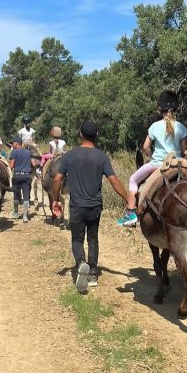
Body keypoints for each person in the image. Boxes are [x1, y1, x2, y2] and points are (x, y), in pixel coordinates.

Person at [50, 121, 129, 292]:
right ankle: (92, 273)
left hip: (77, 206)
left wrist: (56, 199)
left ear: (80, 134)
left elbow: (57, 179)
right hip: (95, 206)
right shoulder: (102, 157)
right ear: (97, 136)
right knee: (93, 238)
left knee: (77, 239)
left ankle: (81, 263)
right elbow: (114, 181)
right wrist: (127, 199)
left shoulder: (69, 156)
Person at [117, 90, 187, 227]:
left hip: (158, 164)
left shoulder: (155, 126)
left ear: (160, 109)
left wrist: (150, 156)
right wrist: (180, 157)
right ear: (175, 109)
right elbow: (184, 150)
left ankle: (131, 213)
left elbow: (145, 147)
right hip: (177, 164)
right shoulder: (181, 127)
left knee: (133, 180)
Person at [9, 135, 38, 222]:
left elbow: (11, 165)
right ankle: (25, 216)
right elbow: (33, 164)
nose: (12, 145)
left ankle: (16, 212)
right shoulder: (29, 152)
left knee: (16, 196)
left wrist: (8, 171)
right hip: (27, 176)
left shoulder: (14, 152)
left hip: (17, 176)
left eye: (13, 143)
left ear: (17, 143)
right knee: (26, 197)